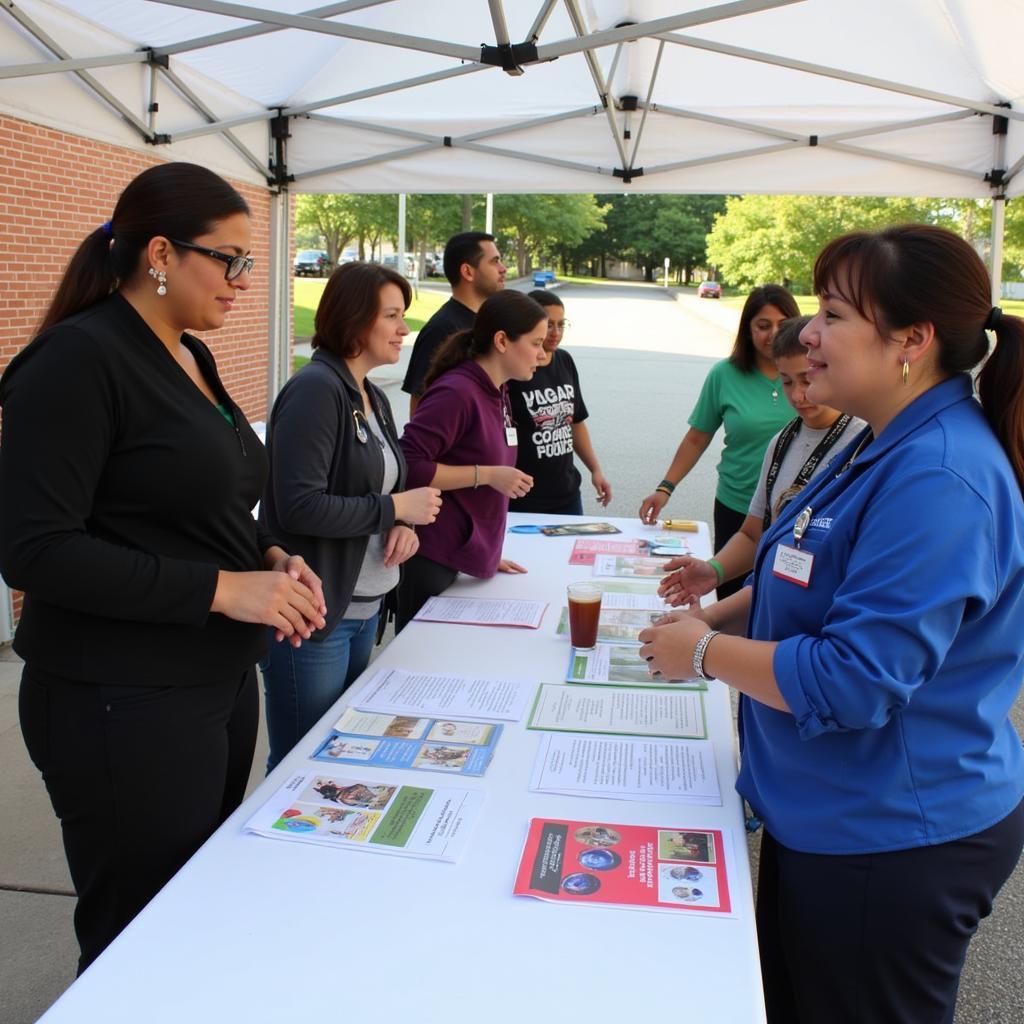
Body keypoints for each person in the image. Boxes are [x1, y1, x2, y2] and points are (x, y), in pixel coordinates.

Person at [639, 224, 1024, 1024]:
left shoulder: (940, 477)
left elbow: (854, 679)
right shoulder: (880, 441)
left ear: (911, 341)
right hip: (824, 809)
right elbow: (800, 574)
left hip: (889, 838)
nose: (808, 333)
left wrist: (705, 650)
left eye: (836, 314)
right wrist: (717, 611)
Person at [0, 162, 326, 973]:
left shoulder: (190, 353)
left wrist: (270, 557)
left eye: (250, 264)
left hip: (210, 683)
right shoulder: (78, 360)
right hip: (120, 700)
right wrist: (225, 588)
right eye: (230, 260)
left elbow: (192, 508)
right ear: (159, 253)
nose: (245, 282)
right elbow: (32, 549)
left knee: (190, 913)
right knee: (134, 938)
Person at [258, 262, 443, 771]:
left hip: (362, 608)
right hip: (316, 617)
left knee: (334, 758)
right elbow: (299, 505)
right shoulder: (317, 390)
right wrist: (394, 509)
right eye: (392, 315)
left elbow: (382, 487)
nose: (405, 329)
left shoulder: (372, 394)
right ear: (356, 319)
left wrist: (400, 525)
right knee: (298, 764)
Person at [659, 316, 864, 606]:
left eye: (806, 378)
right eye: (786, 381)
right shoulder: (781, 442)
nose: (797, 395)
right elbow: (754, 534)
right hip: (777, 601)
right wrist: (714, 570)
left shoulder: (864, 442)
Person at [396, 290, 548, 629]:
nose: (542, 354)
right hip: (432, 558)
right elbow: (408, 463)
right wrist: (488, 475)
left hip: (464, 556)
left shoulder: (498, 389)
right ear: (502, 341)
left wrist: (485, 556)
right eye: (536, 343)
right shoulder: (458, 392)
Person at [638, 284, 800, 598]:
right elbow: (697, 438)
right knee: (729, 595)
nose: (773, 334)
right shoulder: (724, 375)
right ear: (747, 330)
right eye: (763, 326)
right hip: (737, 508)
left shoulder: (817, 373)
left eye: (782, 324)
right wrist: (665, 487)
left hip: (796, 513)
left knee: (778, 600)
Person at [507, 289, 613, 515]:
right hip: (524, 498)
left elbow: (575, 422)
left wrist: (595, 470)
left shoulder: (565, 360)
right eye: (549, 324)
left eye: (561, 324)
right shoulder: (516, 370)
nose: (556, 332)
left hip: (567, 495)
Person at [401, 231, 507, 413]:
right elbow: (421, 406)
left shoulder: (490, 322)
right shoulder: (441, 329)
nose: (503, 268)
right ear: (468, 271)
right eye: (494, 261)